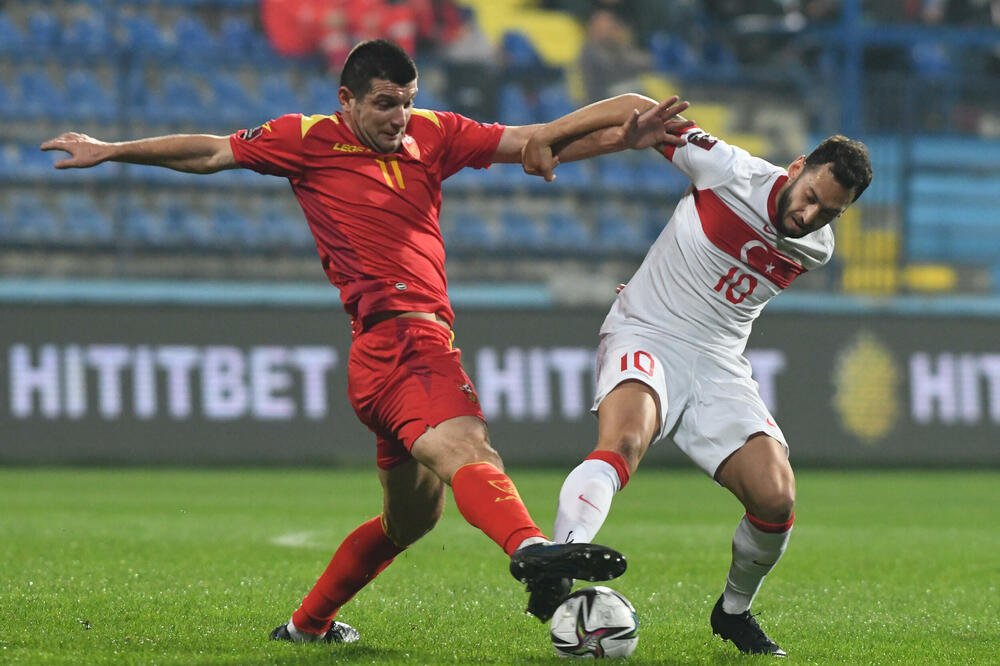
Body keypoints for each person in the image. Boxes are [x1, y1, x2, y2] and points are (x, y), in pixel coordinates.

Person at [40, 39, 692, 642]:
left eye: (406, 103)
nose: (399, 117)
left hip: (384, 357)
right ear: (346, 100)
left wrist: (620, 138)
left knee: (410, 521)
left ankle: (307, 626)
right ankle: (531, 553)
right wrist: (112, 149)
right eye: (384, 104)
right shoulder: (305, 139)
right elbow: (210, 152)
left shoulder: (434, 132)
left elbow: (535, 141)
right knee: (469, 447)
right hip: (405, 342)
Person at [524, 109, 872, 655]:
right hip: (647, 331)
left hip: (718, 365)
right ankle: (560, 561)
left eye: (829, 212)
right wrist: (549, 140)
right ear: (797, 166)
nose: (809, 216)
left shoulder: (818, 248)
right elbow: (636, 108)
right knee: (625, 441)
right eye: (810, 196)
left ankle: (733, 612)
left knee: (776, 498)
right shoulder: (729, 171)